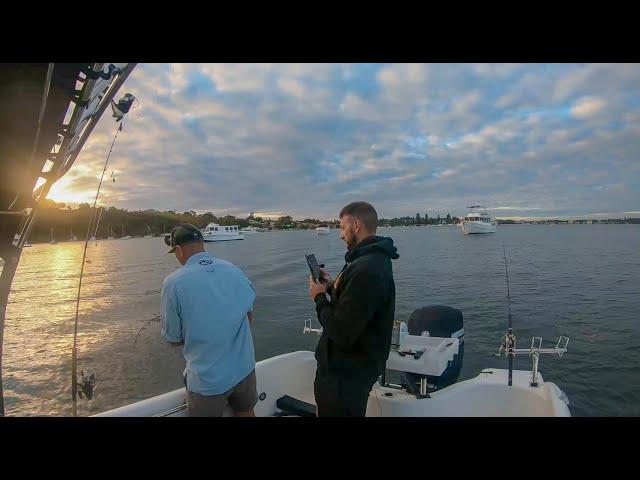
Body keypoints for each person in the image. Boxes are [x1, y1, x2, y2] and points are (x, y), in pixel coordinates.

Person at [308, 201, 399, 416]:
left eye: (342, 227)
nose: (340, 235)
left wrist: (319, 297)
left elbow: (341, 331)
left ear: (356, 225)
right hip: (349, 371)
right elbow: (356, 307)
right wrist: (331, 287)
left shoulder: (367, 268)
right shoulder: (370, 260)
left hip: (345, 375)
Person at [161, 223, 258, 417]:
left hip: (208, 379)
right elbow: (249, 316)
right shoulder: (233, 269)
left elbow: (173, 340)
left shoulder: (173, 283)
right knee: (247, 412)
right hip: (244, 369)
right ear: (201, 242)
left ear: (178, 249)